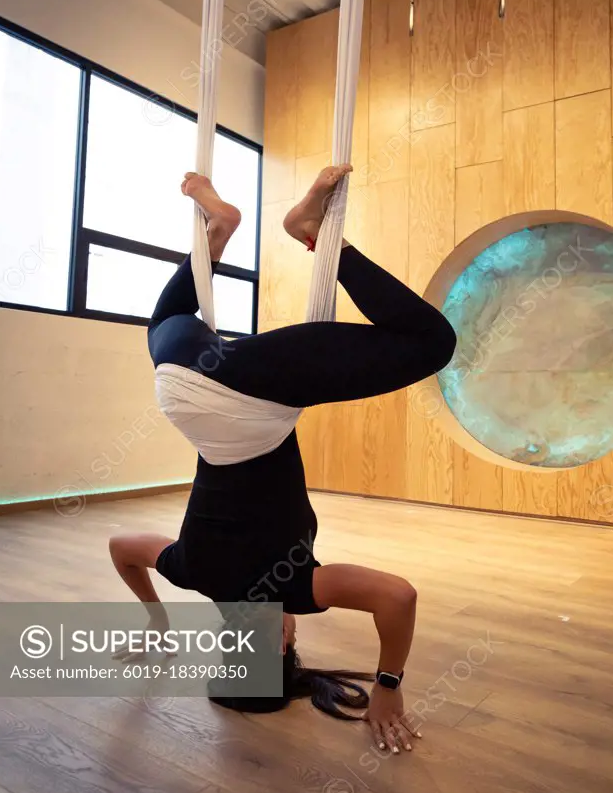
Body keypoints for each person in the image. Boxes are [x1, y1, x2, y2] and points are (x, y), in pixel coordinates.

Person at [109, 165, 456, 753]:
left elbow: (398, 596)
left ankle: (315, 233)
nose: (292, 636)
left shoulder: (295, 587)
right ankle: (218, 228)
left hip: (247, 397)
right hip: (178, 388)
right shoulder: (190, 571)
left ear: (278, 646)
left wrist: (388, 685)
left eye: (288, 645)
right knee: (168, 320)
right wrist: (157, 621)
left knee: (432, 344)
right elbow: (122, 547)